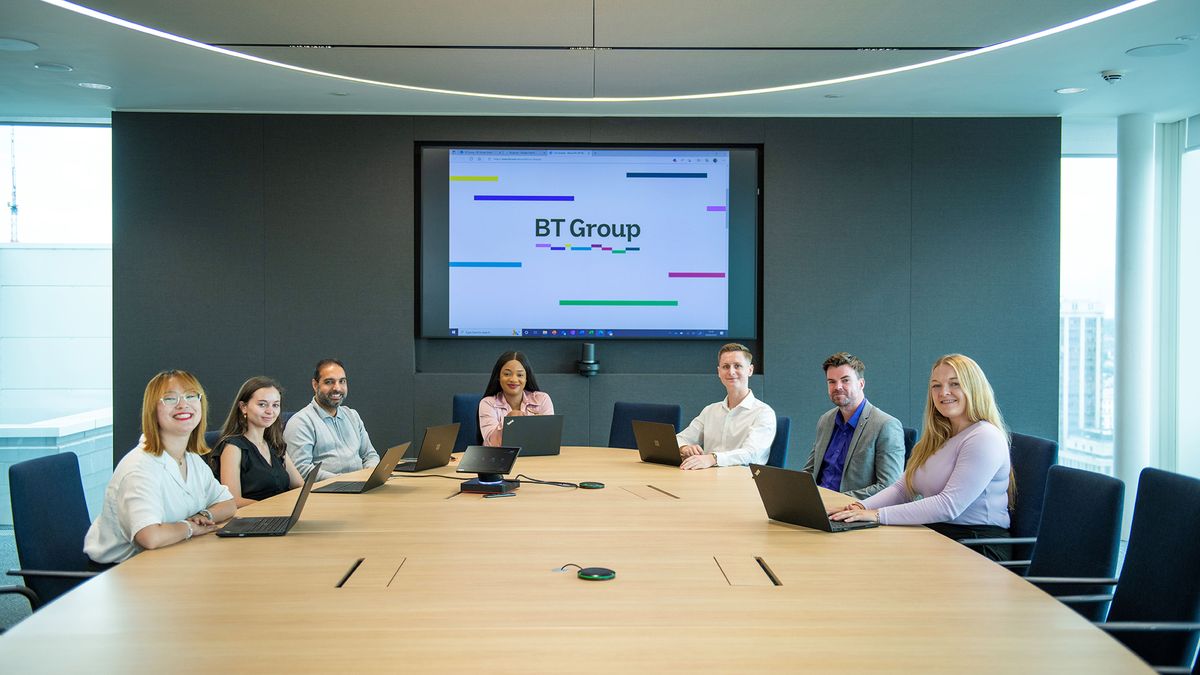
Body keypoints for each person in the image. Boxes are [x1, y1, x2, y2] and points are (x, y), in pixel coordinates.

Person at [829, 354, 1014, 561]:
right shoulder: (940, 436)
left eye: (955, 384)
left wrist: (878, 515)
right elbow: (903, 488)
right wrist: (862, 507)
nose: (943, 392)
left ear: (974, 387)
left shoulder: (984, 437)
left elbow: (949, 505)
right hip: (941, 534)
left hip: (978, 546)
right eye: (936, 386)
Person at [84, 370, 236, 565]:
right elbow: (150, 537)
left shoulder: (190, 459)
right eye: (170, 399)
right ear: (152, 410)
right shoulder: (139, 468)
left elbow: (228, 504)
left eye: (191, 396)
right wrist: (189, 527)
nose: (183, 404)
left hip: (170, 559)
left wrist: (203, 515)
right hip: (120, 573)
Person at [801, 352, 904, 499]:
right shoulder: (825, 420)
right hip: (817, 504)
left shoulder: (885, 425)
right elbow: (810, 470)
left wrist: (836, 500)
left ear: (861, 384)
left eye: (845, 380)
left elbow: (889, 487)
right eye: (831, 382)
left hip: (851, 510)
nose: (838, 387)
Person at [676, 343, 776, 470]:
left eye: (737, 366)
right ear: (719, 372)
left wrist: (712, 458)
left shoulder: (763, 413)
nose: (731, 372)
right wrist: (685, 448)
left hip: (742, 483)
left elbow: (752, 454)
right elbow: (680, 439)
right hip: (707, 478)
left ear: (750, 370)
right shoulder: (710, 411)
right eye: (726, 367)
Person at [211, 376, 303, 507]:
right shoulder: (233, 447)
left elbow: (299, 485)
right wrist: (275, 508)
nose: (270, 411)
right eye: (262, 404)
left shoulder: (275, 444)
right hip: (253, 520)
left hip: (280, 515)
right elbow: (232, 500)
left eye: (275, 405)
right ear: (243, 407)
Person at [284, 358, 380, 481]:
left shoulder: (352, 415)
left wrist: (369, 475)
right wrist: (346, 481)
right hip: (326, 494)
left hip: (359, 488)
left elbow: (369, 455)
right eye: (329, 382)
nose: (337, 388)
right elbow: (301, 470)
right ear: (315, 385)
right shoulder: (301, 422)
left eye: (342, 381)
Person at [479, 351, 554, 446]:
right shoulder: (487, 403)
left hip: (536, 458)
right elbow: (491, 443)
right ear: (498, 377)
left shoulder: (542, 399)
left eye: (520, 375)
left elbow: (548, 439)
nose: (514, 379)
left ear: (527, 378)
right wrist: (509, 423)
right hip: (500, 458)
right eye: (507, 374)